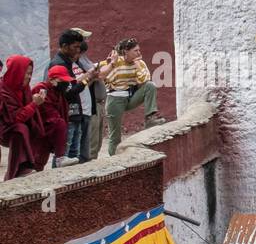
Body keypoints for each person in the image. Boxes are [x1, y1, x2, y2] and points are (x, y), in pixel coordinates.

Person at [0, 55, 67, 179]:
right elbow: (15, 119)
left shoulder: (24, 88)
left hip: (22, 125)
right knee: (21, 129)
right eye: (27, 73)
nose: (30, 77)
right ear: (17, 71)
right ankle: (18, 171)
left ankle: (38, 165)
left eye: (31, 73)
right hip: (5, 129)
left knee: (39, 129)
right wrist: (34, 104)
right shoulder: (3, 90)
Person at [45, 27, 106, 163]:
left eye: (79, 47)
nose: (78, 50)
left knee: (75, 156)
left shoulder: (71, 63)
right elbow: (69, 91)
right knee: (64, 157)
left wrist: (88, 77)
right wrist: (88, 78)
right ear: (65, 46)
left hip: (78, 114)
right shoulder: (58, 65)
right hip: (68, 116)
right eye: (75, 47)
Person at [101, 37, 166, 156]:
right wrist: (111, 64)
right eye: (135, 51)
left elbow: (145, 80)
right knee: (115, 136)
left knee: (150, 85)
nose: (139, 53)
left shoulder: (139, 63)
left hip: (131, 97)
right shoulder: (116, 61)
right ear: (126, 51)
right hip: (115, 99)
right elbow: (102, 74)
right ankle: (113, 161)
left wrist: (136, 65)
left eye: (139, 50)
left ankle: (150, 118)